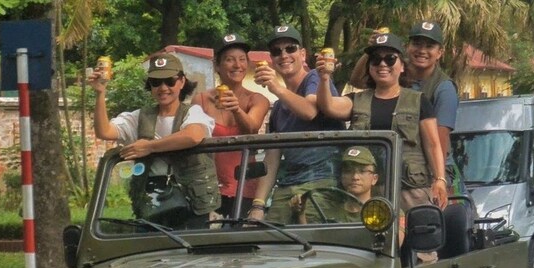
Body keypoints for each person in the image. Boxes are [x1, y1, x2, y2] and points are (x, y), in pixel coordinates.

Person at [315, 32, 448, 212]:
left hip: (410, 189)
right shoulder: (357, 100)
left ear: (402, 66)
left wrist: (440, 179)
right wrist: (324, 78)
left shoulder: (419, 100)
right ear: (369, 67)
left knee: (416, 236)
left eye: (390, 59)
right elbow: (328, 106)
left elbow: (433, 145)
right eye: (376, 60)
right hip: (366, 192)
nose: (383, 64)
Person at [90, 52, 219, 229]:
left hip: (192, 202)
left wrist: (149, 147)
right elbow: (104, 131)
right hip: (151, 201)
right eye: (156, 82)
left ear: (181, 82)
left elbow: (193, 135)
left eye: (170, 81)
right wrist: (100, 93)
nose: (163, 87)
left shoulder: (193, 112)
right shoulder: (138, 117)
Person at [247, 24, 345, 223]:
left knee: (312, 244)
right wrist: (258, 205)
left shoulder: (315, 78)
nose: (284, 55)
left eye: (290, 48)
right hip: (287, 186)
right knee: (268, 242)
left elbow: (309, 111)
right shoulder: (278, 110)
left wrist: (274, 86)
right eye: (276, 51)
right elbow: (272, 157)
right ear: (271, 60)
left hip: (322, 182)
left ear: (302, 54)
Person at [192, 33, 270, 219]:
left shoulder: (257, 99)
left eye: (242, 59)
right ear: (217, 66)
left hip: (245, 187)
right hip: (209, 187)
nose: (237, 65)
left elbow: (251, 128)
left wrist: (236, 109)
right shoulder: (201, 99)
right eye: (229, 60)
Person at [289, 145, 406, 245]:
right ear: (341, 176)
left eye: (362, 171)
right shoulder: (325, 209)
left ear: (374, 179)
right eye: (348, 171)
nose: (355, 177)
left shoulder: (386, 212)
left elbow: (392, 248)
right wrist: (300, 213)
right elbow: (311, 244)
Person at [404, 21, 468, 202]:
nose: (422, 50)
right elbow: (360, 80)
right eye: (416, 44)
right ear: (407, 47)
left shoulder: (444, 88)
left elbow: (438, 141)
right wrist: (375, 49)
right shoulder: (398, 75)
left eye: (430, 46)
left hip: (433, 167)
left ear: (439, 53)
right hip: (404, 164)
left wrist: (437, 178)